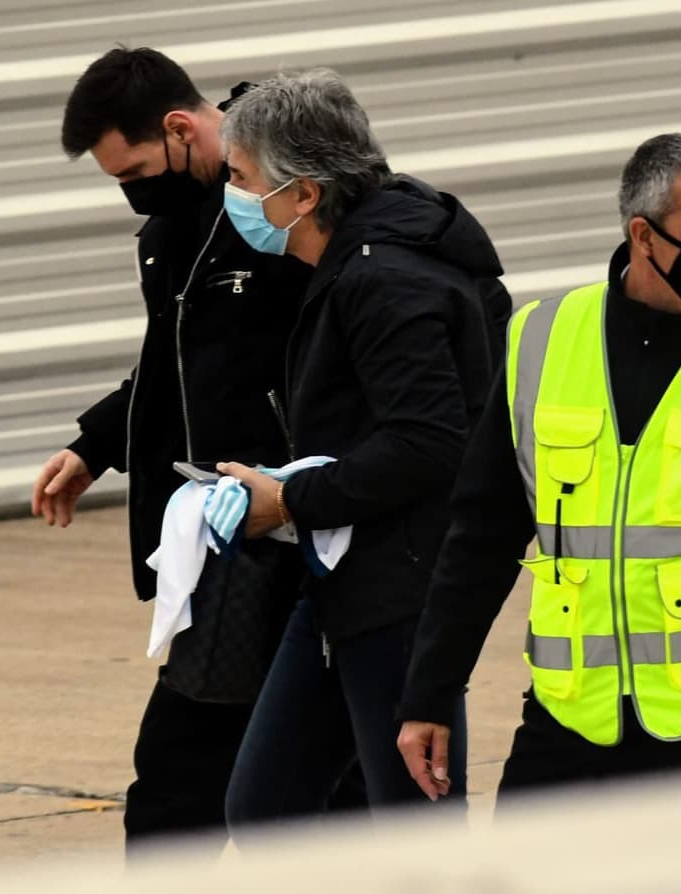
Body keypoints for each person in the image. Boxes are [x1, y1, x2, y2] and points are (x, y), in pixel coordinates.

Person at [397, 133, 681, 801]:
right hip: (575, 717)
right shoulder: (543, 337)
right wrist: (429, 691)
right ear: (644, 235)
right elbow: (482, 535)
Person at [29, 48, 321, 851]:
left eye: (134, 172)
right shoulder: (170, 230)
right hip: (216, 538)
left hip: (289, 529)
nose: (132, 195)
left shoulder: (287, 194)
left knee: (192, 774)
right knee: (196, 774)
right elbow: (171, 362)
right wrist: (96, 445)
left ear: (179, 126)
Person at [214, 69, 510, 832]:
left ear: (305, 193)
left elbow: (429, 443)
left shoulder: (387, 278)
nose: (233, 196)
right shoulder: (374, 252)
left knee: (413, 825)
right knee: (265, 807)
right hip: (347, 576)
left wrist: (290, 498)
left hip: (401, 589)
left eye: (242, 179)